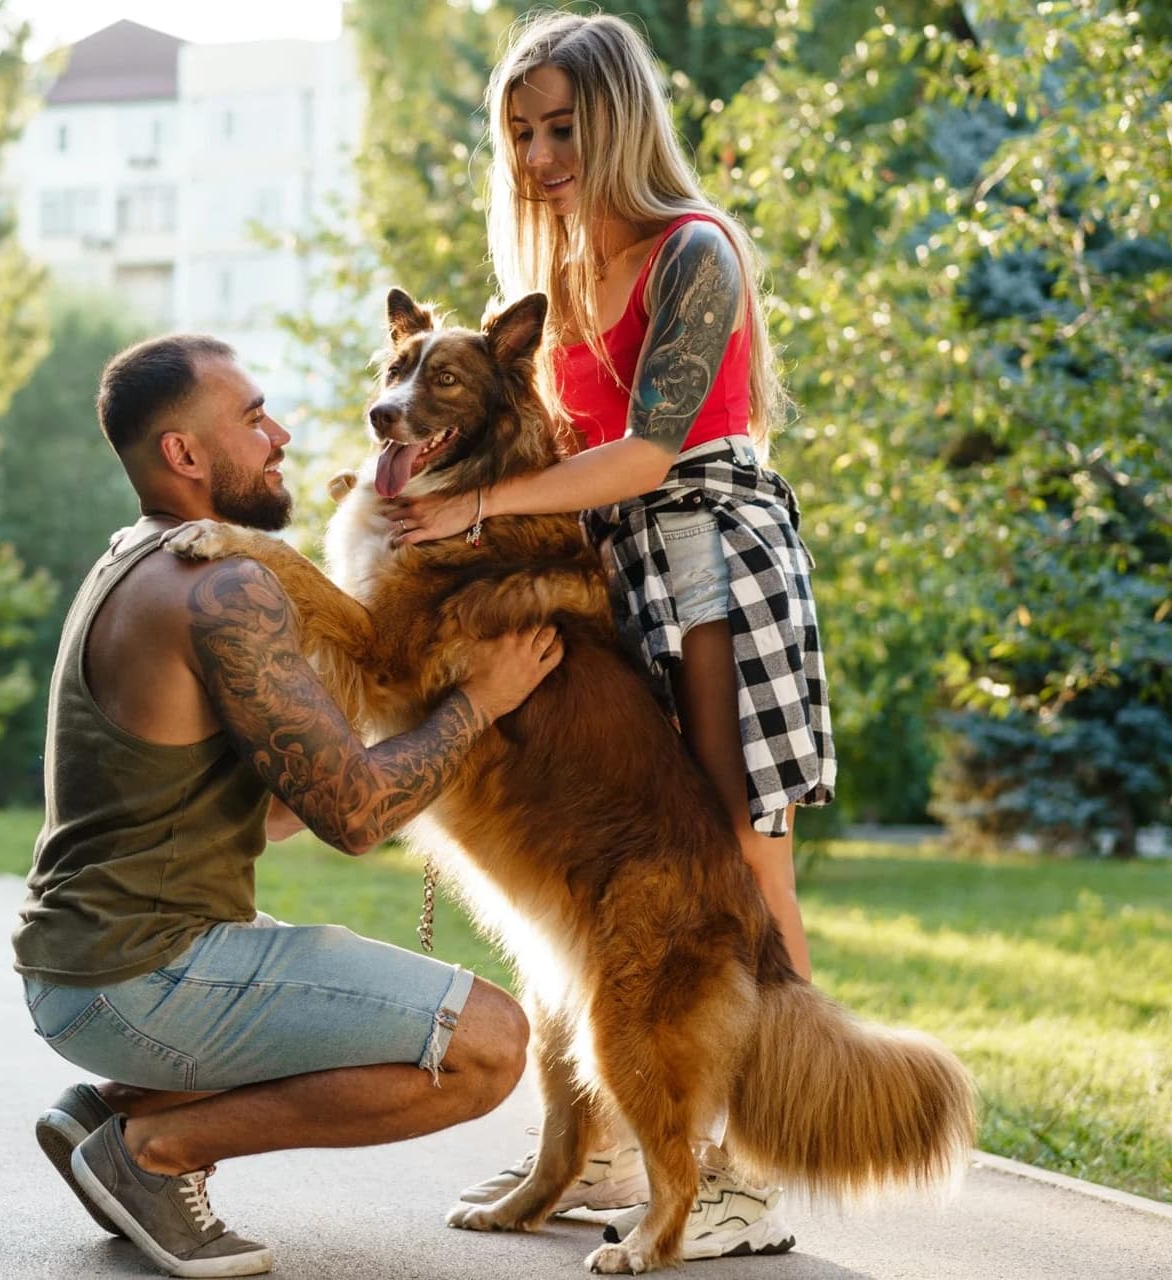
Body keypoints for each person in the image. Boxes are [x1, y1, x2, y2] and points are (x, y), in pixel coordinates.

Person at [385, 10, 834, 1262]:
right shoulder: (553, 281)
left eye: (563, 129)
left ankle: (751, 1172)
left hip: (714, 559)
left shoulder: (696, 250)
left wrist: (473, 509)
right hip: (613, 571)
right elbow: (530, 453)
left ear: (621, 121)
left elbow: (647, 452)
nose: (539, 157)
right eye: (521, 134)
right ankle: (614, 1146)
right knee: (627, 853)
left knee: (746, 861)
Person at [13, 333, 565, 1278]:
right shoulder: (224, 586)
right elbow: (355, 819)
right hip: (144, 977)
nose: (282, 435)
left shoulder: (133, 558)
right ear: (184, 453)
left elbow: (279, 810)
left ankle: (108, 1113)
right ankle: (152, 1154)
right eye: (254, 417)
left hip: (82, 967)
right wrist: (478, 704)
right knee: (486, 1046)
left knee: (389, 998)